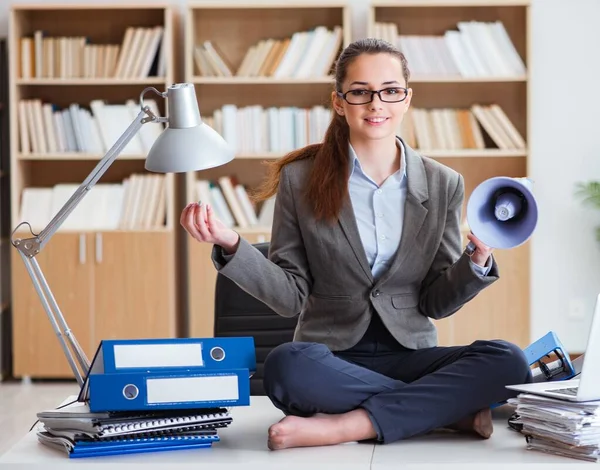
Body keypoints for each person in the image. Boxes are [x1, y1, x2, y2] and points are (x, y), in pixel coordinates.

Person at [180, 38, 532, 451]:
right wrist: (231, 244)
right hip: (330, 358)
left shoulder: (443, 183)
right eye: (361, 92)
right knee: (285, 367)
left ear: (406, 99)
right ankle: (443, 409)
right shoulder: (301, 179)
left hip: (410, 352)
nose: (376, 103)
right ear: (339, 102)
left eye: (390, 91)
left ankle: (348, 425)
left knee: (509, 361)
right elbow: (291, 297)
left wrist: (477, 258)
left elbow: (436, 302)